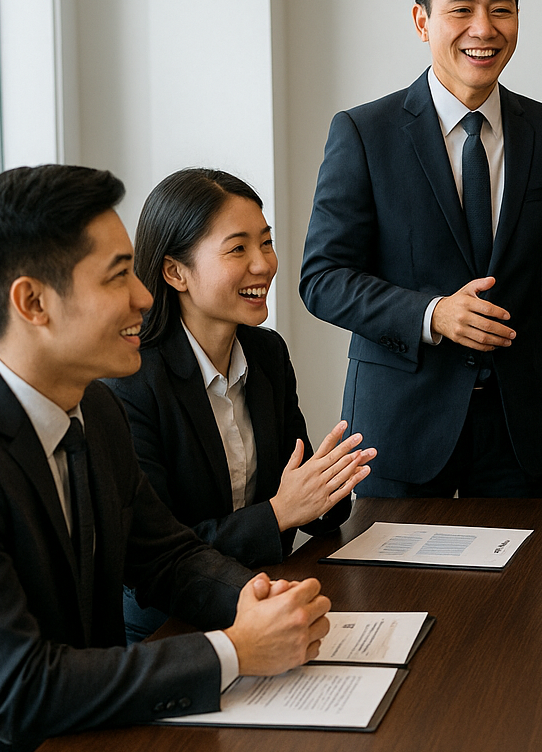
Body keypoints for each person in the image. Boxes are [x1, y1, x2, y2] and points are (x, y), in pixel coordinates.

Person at [0, 165, 332, 752]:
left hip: (99, 741)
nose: (145, 295)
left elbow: (166, 555)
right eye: (118, 276)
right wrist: (233, 650)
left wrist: (254, 597)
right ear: (32, 302)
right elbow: (19, 691)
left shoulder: (94, 409)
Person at [300, 0, 542, 498]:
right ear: (422, 21)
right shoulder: (364, 133)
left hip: (518, 431)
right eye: (461, 10)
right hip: (400, 428)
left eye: (501, 10)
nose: (483, 29)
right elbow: (323, 279)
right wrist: (432, 313)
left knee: (527, 562)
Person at [107, 168, 376, 642]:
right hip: (171, 627)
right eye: (238, 249)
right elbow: (157, 555)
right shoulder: (132, 381)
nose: (263, 264)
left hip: (270, 596)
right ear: (175, 272)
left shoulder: (267, 353)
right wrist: (279, 513)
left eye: (266, 243)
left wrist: (328, 486)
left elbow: (304, 500)